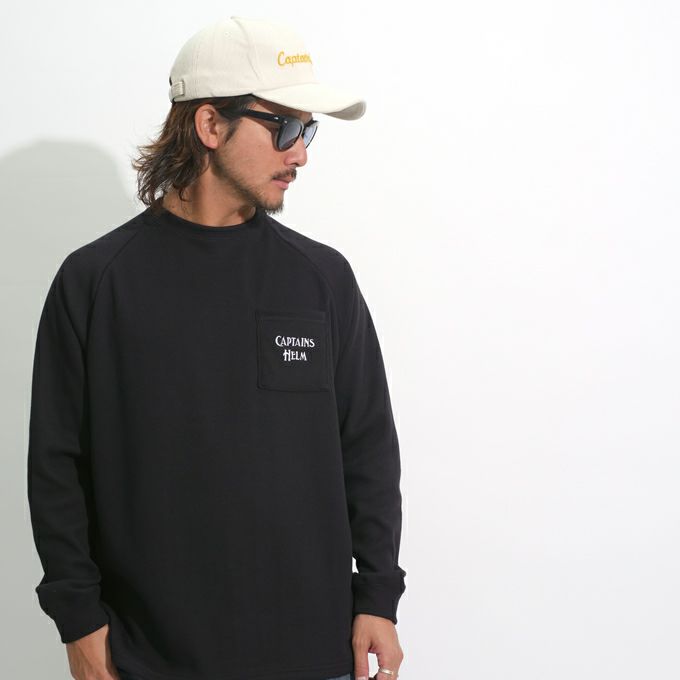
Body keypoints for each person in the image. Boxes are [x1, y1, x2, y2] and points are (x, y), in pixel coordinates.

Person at [27, 15, 406, 680]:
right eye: (284, 127)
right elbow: (57, 466)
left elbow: (367, 444)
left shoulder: (320, 279)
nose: (301, 154)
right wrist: (78, 620)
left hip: (313, 652)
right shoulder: (96, 281)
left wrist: (377, 595)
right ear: (209, 125)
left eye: (308, 131)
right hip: (147, 658)